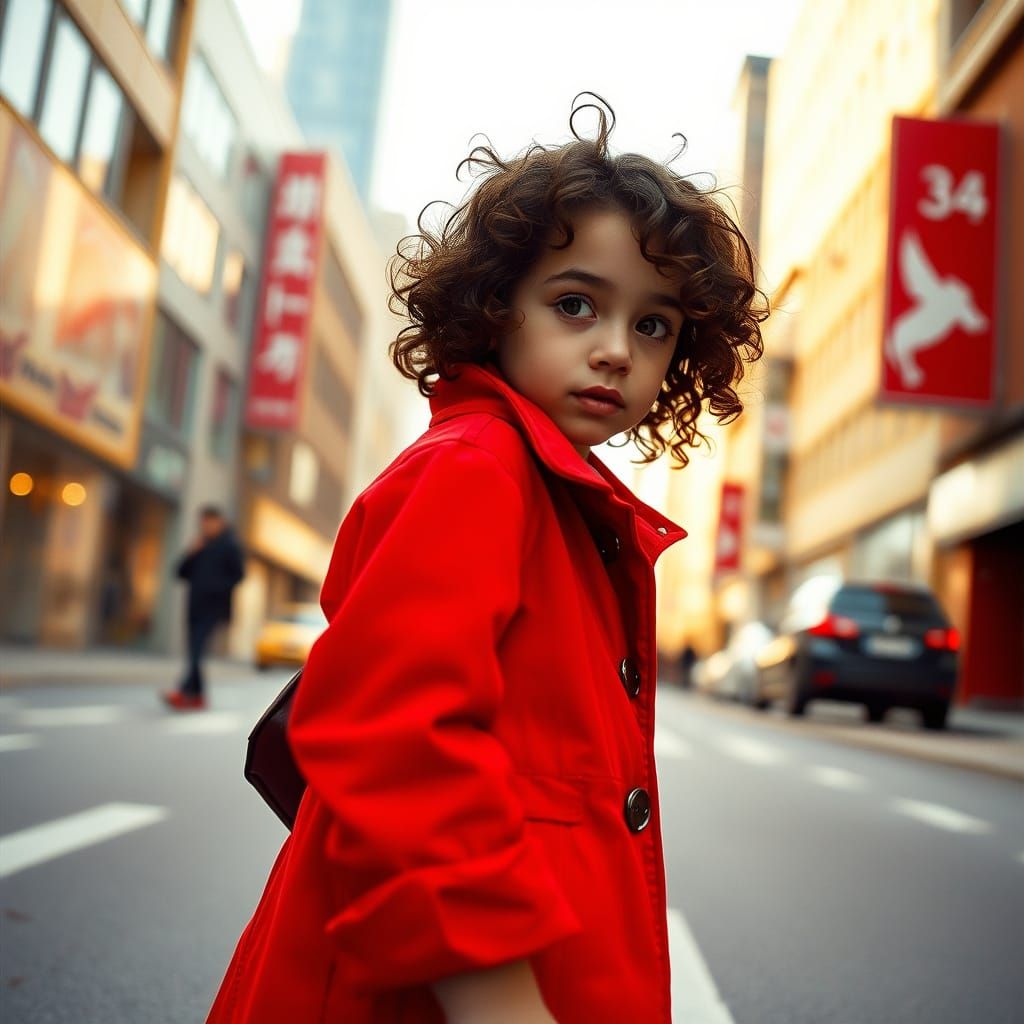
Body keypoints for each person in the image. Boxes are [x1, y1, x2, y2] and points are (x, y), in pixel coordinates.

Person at [207, 96, 765, 1023]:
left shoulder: (560, 499)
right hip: (445, 991)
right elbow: (395, 735)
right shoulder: (476, 471)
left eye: (655, 325)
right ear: (496, 306)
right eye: (575, 303)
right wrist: (499, 997)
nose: (617, 350)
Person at [163, 505, 244, 711]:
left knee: (197, 649)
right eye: (203, 523)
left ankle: (184, 691)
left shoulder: (230, 546)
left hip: (213, 608)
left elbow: (239, 576)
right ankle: (198, 697)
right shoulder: (200, 545)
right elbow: (180, 573)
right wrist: (191, 553)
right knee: (194, 651)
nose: (206, 527)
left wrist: (215, 587)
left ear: (220, 522)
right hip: (194, 605)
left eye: (210, 522)